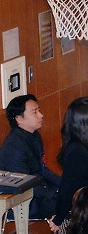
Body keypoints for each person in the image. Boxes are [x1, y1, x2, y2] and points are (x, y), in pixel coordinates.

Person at [0, 94, 59, 223]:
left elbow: (42, 170)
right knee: (71, 203)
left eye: (39, 110)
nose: (41, 115)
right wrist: (54, 193)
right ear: (19, 119)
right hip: (23, 201)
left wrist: (63, 184)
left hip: (37, 191)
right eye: (34, 112)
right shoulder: (14, 147)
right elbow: (22, 184)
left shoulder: (34, 136)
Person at [52, 96, 88, 229]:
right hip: (82, 220)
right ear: (85, 121)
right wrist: (59, 219)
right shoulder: (77, 151)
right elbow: (67, 187)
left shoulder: (85, 146)